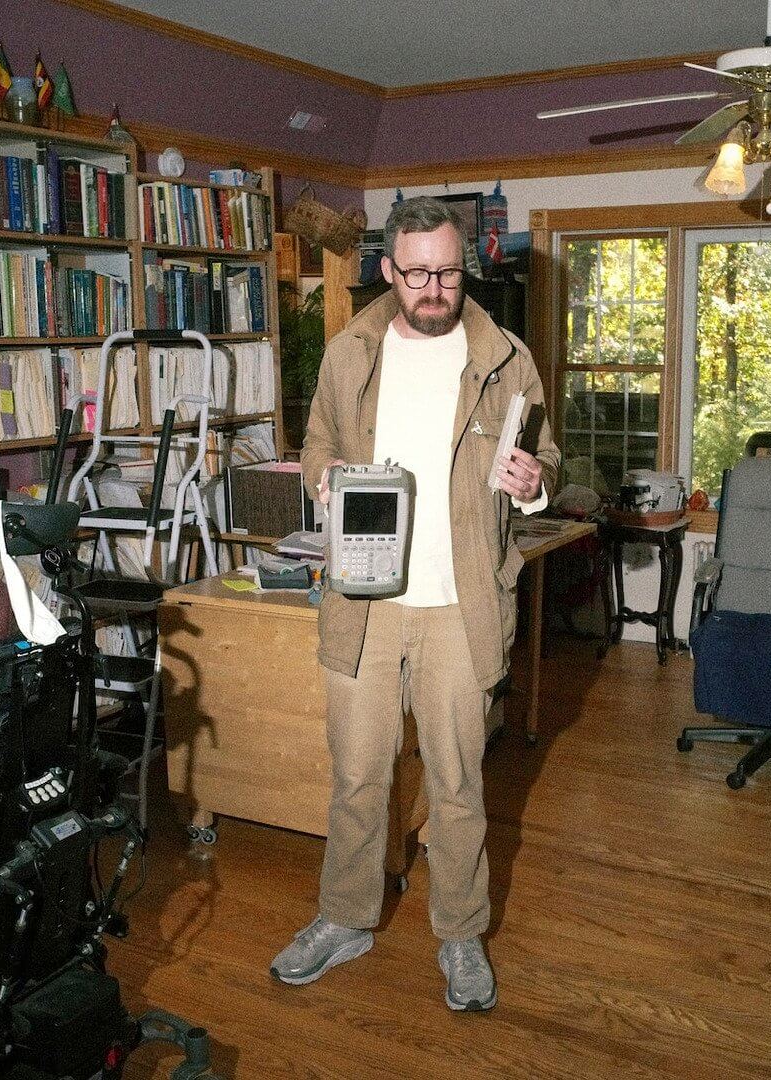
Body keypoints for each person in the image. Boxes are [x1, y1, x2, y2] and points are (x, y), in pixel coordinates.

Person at [271, 197, 559, 1012]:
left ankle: (461, 934)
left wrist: (534, 482)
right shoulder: (349, 353)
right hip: (364, 602)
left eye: (449, 273)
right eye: (418, 273)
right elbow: (318, 443)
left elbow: (546, 455)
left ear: (466, 268)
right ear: (387, 270)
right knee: (357, 775)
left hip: (461, 606)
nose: (434, 289)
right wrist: (323, 478)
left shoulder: (504, 357)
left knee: (458, 783)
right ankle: (345, 917)